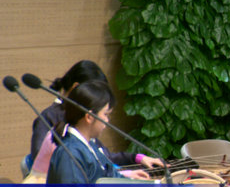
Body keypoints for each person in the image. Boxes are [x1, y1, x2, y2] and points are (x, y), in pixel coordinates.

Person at [25, 60, 163, 178]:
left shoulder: (82, 132)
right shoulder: (63, 134)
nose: (107, 121)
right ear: (89, 116)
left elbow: (102, 160)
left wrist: (135, 162)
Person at [47, 80, 150, 183]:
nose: (107, 120)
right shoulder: (70, 154)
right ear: (89, 117)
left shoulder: (90, 145)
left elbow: (111, 176)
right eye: (105, 114)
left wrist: (131, 181)